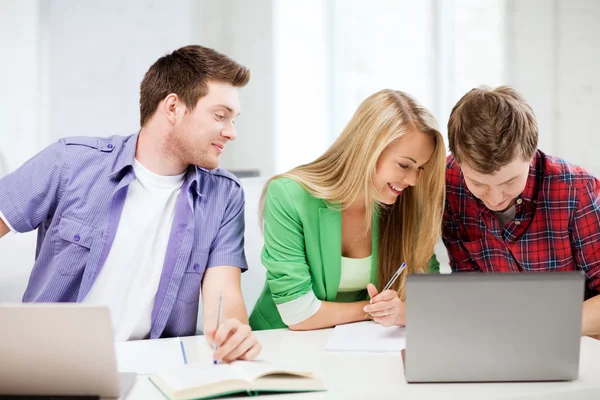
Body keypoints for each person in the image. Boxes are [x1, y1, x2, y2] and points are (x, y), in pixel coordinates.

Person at [0, 45, 261, 362]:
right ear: (173, 108)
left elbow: (225, 296)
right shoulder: (68, 162)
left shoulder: (224, 195)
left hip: (156, 369)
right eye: (221, 116)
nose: (231, 132)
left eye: (234, 119)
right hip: (48, 364)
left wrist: (232, 331)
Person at [249, 89, 446, 331]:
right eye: (404, 165)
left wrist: (400, 312)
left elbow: (432, 300)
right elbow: (298, 312)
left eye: (421, 169)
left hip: (357, 346)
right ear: (367, 149)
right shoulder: (289, 195)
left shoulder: (405, 204)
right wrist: (376, 311)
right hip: (278, 344)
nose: (413, 180)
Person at [442, 85, 600, 339]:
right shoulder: (450, 183)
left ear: (531, 153)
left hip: (574, 341)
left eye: (509, 182)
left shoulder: (576, 192)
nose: (494, 199)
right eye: (479, 184)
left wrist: (545, 325)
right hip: (495, 338)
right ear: (458, 160)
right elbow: (468, 286)